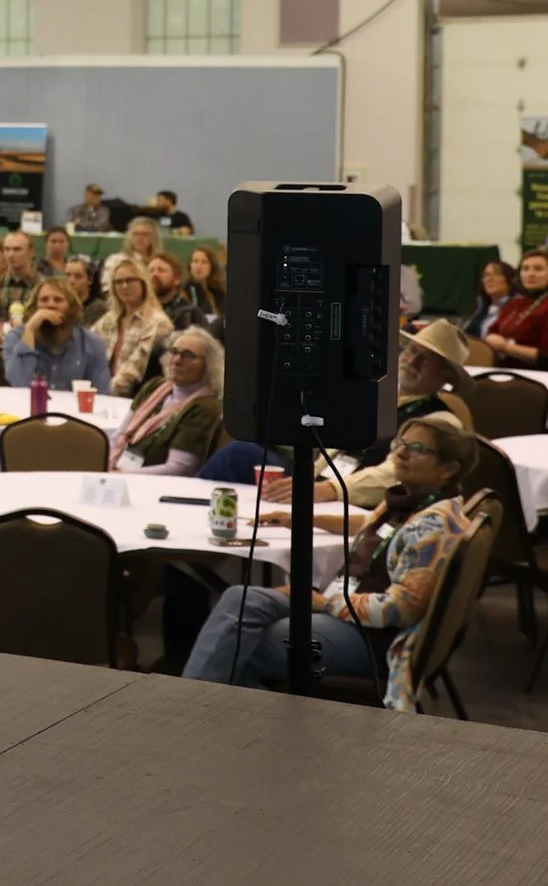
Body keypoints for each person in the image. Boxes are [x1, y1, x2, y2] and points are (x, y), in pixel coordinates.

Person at [182, 413, 481, 709]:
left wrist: (324, 603)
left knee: (239, 643)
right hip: (348, 608)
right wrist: (298, 518)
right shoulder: (412, 502)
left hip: (375, 640)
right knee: (240, 600)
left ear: (448, 469)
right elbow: (369, 524)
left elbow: (398, 609)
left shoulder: (433, 526)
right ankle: (236, 717)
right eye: (401, 443)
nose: (400, 453)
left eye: (417, 449)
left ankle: (192, 713)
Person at [225, 322, 472, 502]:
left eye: (426, 359)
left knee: (242, 454)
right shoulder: (377, 397)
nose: (412, 360)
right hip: (321, 482)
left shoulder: (440, 421)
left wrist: (329, 489)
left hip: (356, 501)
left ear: (446, 376)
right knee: (243, 451)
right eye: (411, 351)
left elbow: (393, 474)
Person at [107, 329, 224, 476]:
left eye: (188, 355)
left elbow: (180, 468)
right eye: (174, 351)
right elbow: (120, 435)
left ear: (208, 365)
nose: (176, 360)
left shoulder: (204, 407)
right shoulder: (154, 387)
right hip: (118, 471)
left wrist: (122, 475)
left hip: (157, 486)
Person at [0, 276, 109, 389]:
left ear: (71, 307)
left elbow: (102, 394)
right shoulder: (16, 337)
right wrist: (31, 329)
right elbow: (19, 383)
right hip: (30, 405)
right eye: (44, 300)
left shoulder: (92, 343)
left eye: (58, 300)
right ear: (35, 306)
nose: (50, 305)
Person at [92, 260, 174, 397]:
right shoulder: (109, 319)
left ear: (143, 283)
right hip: (102, 393)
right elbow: (87, 347)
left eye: (130, 280)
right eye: (118, 282)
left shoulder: (157, 322)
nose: (124, 286)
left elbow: (133, 373)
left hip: (133, 398)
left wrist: (98, 391)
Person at [481, 248, 548, 369]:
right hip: (502, 370)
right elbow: (492, 331)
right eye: (525, 269)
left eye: (538, 269)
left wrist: (507, 347)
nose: (530, 274)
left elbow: (545, 357)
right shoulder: (514, 303)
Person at [0, 232, 42, 325]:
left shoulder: (43, 285)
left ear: (31, 252)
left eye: (17, 249)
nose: (11, 254)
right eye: (7, 249)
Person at [463, 258, 517, 341]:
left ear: (509, 279)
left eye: (497, 274)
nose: (489, 279)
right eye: (486, 275)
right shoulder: (481, 307)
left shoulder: (518, 307)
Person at [103, 216, 163, 284]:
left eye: (145, 234)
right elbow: (106, 287)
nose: (140, 238)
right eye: (136, 234)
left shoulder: (161, 262)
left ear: (154, 238)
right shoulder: (116, 260)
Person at [147, 253, 199, 325]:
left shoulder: (189, 313)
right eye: (151, 270)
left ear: (177, 279)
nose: (154, 274)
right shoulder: (140, 309)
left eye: (161, 270)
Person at [183, 244, 227, 320]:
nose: (199, 266)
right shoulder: (184, 289)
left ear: (212, 266)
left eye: (204, 262)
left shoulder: (219, 290)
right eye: (195, 261)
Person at [63, 256, 102, 326]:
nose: (71, 281)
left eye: (78, 276)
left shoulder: (99, 309)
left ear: (90, 280)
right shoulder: (60, 305)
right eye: (67, 275)